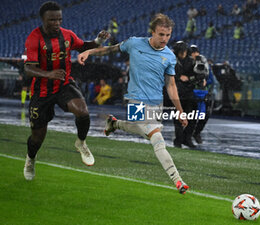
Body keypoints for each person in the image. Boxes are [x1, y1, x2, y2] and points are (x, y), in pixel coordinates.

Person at [78, 13, 190, 194]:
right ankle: (178, 180)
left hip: (156, 103)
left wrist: (180, 111)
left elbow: (171, 85)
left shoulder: (169, 57)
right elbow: (110, 50)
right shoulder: (134, 43)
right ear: (152, 32)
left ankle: (114, 124)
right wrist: (89, 51)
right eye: (161, 34)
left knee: (144, 131)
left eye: (168, 35)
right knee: (156, 137)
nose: (164, 39)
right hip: (135, 99)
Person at [23, 1, 110, 181]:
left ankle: (81, 142)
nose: (56, 23)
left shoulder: (68, 35)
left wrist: (98, 41)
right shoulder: (34, 38)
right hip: (42, 92)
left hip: (64, 84)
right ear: (43, 20)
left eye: (59, 19)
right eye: (52, 20)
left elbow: (85, 46)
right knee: (37, 138)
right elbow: (28, 68)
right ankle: (31, 159)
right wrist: (49, 74)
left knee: (83, 112)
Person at [171, 41, 197, 148]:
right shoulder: (171, 60)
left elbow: (196, 75)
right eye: (181, 52)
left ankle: (187, 138)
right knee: (178, 118)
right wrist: (178, 77)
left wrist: (189, 78)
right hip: (176, 92)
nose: (183, 54)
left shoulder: (191, 61)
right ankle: (179, 139)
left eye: (184, 51)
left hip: (188, 92)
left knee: (193, 116)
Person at [190, 45, 214, 144]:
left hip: (203, 94)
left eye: (195, 53)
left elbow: (211, 79)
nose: (194, 55)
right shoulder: (188, 63)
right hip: (191, 93)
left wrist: (205, 82)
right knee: (190, 115)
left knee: (205, 115)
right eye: (192, 53)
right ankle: (188, 135)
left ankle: (197, 132)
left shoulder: (205, 65)